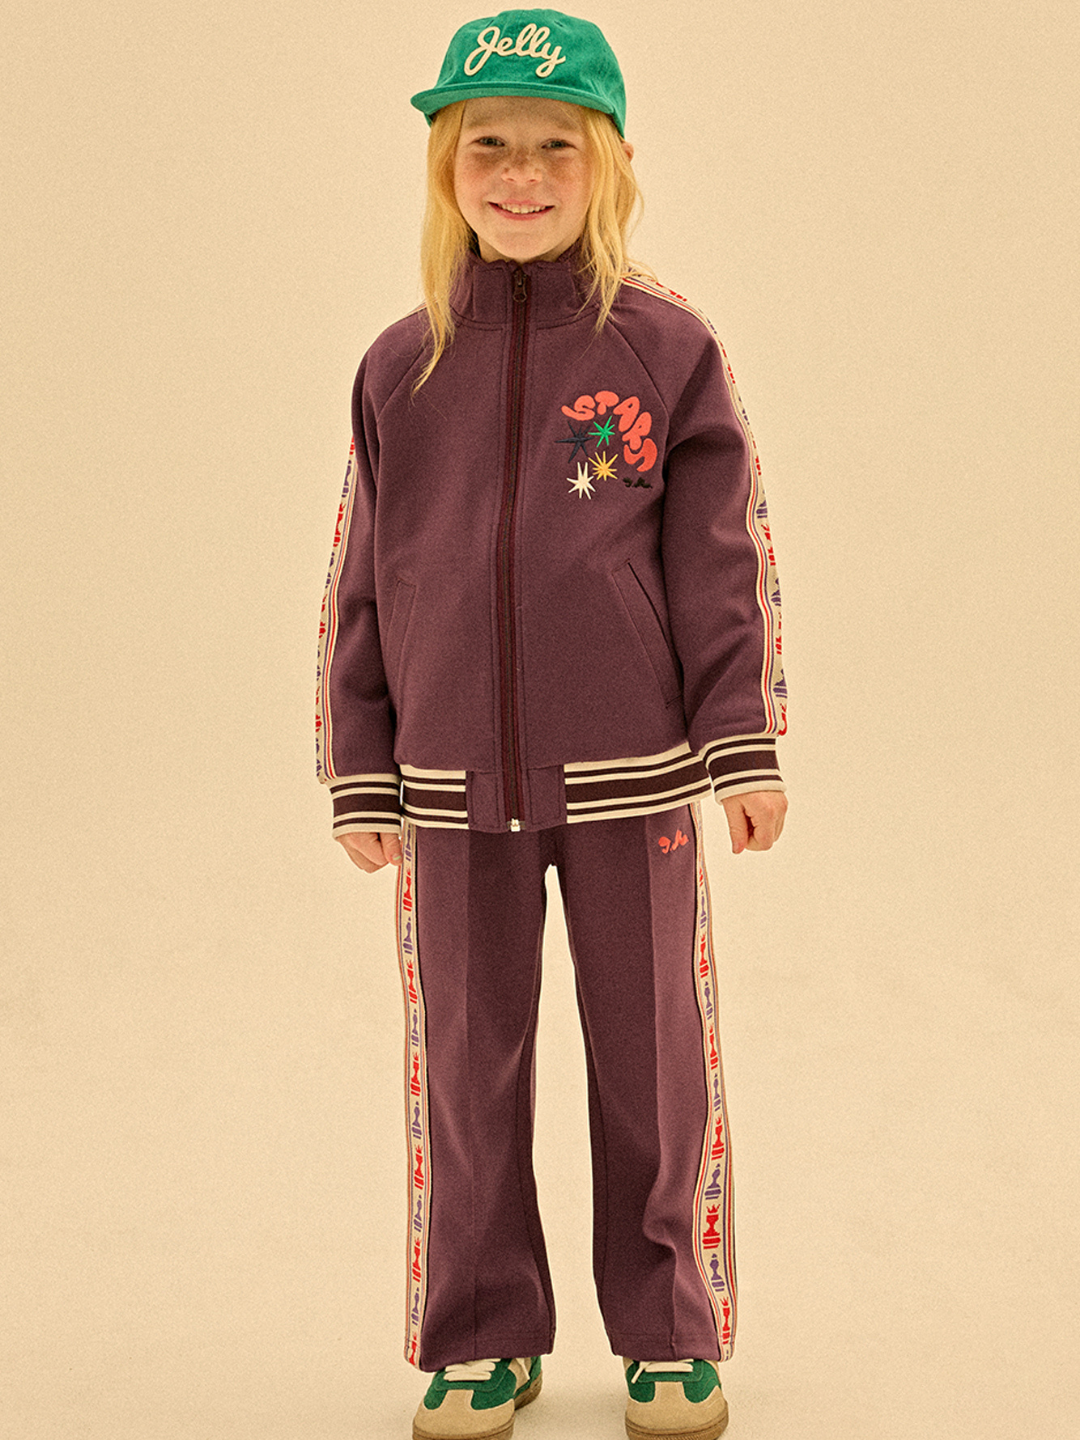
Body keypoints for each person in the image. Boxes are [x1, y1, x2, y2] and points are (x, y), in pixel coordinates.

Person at [314, 10, 788, 1438]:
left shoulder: (663, 348)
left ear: (612, 164)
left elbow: (720, 557)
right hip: (452, 786)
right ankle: (482, 1331)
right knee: (465, 1066)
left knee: (653, 1061)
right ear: (447, 169)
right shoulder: (401, 365)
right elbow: (362, 574)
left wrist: (742, 742)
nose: (520, 177)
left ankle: (666, 1331)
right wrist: (361, 763)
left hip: (635, 775)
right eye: (488, 149)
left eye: (554, 149)